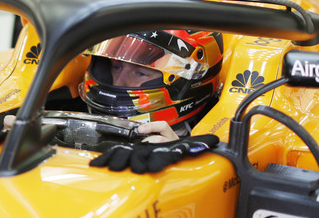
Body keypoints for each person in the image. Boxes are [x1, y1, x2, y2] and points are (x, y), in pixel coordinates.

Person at [79, 29, 224, 142]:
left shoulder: (221, 139)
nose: (119, 82)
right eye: (116, 67)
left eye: (141, 73)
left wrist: (182, 162)